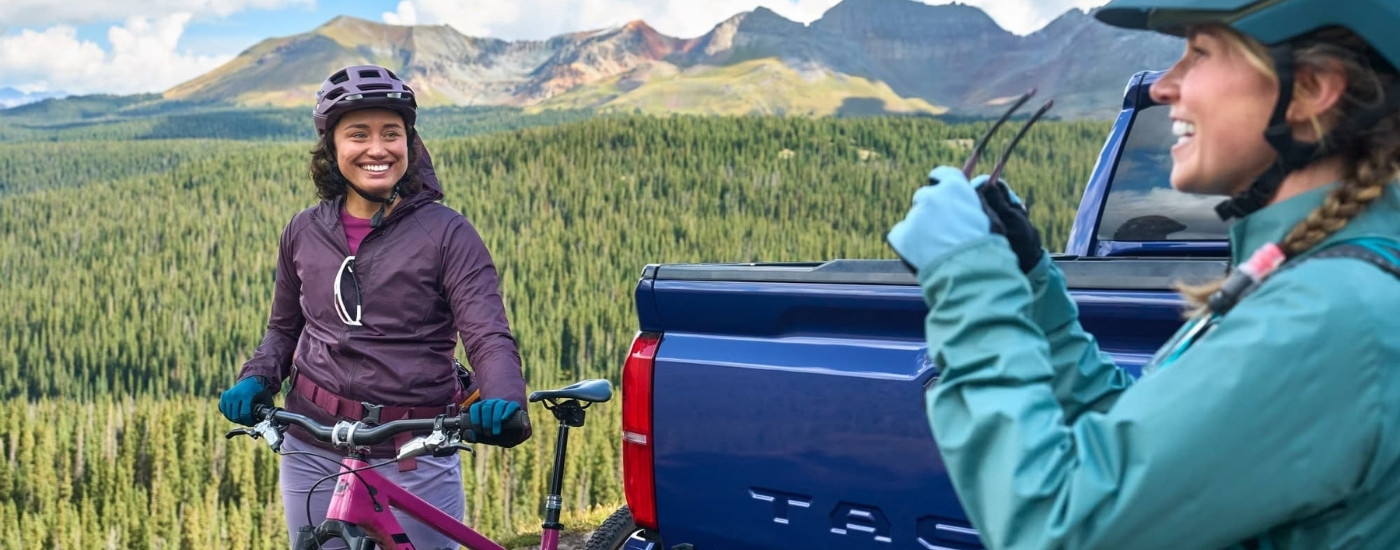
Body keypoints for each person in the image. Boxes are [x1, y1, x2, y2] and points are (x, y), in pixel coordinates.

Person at [887, 0, 1400, 548]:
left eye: (1199, 52)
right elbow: (1140, 455)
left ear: (1313, 88)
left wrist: (968, 283)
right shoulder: (1323, 286)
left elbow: (1057, 527)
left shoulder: (1327, 317)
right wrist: (1032, 286)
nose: (1163, 86)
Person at [217, 64, 530, 549]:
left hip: (416, 445)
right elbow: (284, 328)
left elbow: (487, 334)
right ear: (332, 148)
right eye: (358, 134)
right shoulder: (303, 230)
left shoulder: (448, 234)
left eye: (392, 133)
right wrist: (257, 377)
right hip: (311, 443)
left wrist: (505, 397)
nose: (378, 149)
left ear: (410, 142)